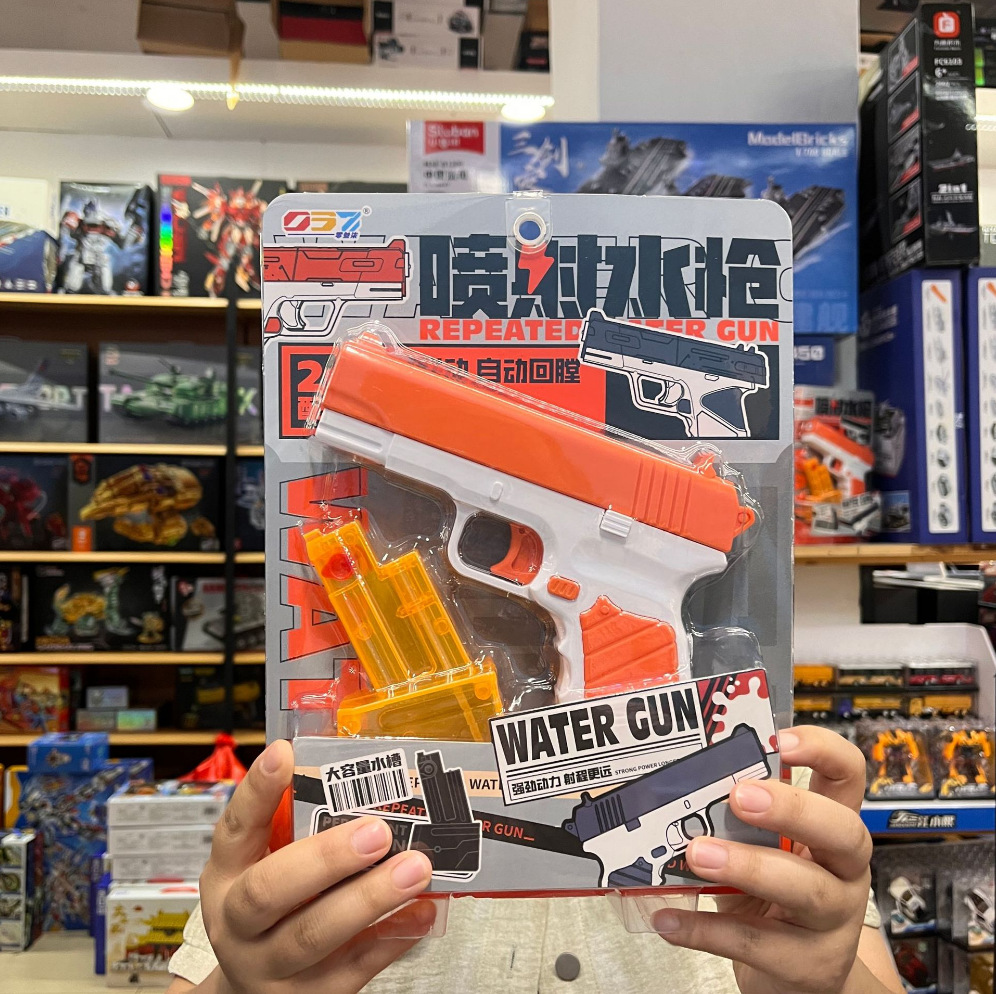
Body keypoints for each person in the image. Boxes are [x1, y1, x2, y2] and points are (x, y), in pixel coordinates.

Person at [166, 726, 904, 994]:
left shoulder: (768, 809)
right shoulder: (320, 782)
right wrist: (239, 987)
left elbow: (843, 965)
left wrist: (828, 987)